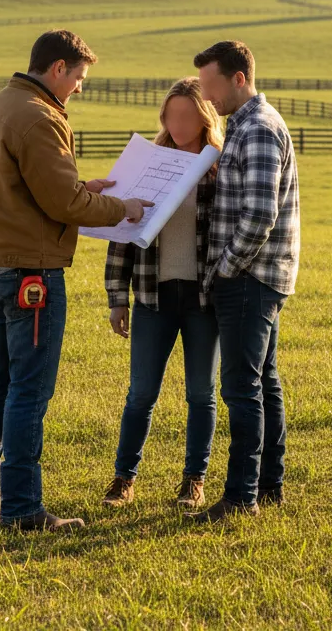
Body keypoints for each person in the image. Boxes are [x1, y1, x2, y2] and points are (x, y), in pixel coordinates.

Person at [0, 29, 154, 532]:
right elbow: (62, 205)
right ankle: (24, 510)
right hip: (32, 273)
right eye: (79, 77)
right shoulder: (39, 117)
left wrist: (80, 187)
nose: (80, 88)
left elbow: (24, 187)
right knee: (29, 389)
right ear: (58, 69)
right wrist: (123, 207)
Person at [187, 40, 299, 524]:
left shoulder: (256, 129)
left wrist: (224, 270)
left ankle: (240, 497)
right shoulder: (246, 125)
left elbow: (259, 216)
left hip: (249, 278)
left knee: (240, 389)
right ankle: (268, 486)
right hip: (261, 276)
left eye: (211, 86)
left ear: (238, 78)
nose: (206, 97)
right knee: (263, 383)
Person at [101, 78, 224, 510]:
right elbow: (122, 235)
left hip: (203, 301)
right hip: (152, 298)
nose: (178, 123)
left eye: (187, 115)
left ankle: (194, 480)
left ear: (204, 117)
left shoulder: (218, 171)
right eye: (171, 115)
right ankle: (123, 479)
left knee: (200, 394)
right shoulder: (146, 167)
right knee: (141, 393)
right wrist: (118, 296)